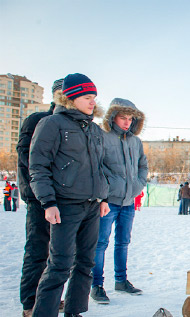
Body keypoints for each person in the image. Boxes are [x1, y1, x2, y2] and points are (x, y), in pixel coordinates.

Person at [29, 73, 110, 317]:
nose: (92, 102)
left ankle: (74, 312)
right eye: (87, 97)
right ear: (71, 98)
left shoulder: (94, 129)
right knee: (59, 265)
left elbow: (100, 167)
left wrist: (104, 197)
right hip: (65, 205)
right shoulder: (52, 124)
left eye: (94, 97)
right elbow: (38, 166)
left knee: (85, 263)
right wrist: (48, 202)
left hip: (92, 206)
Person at [90, 98, 147, 303]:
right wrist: (103, 195)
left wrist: (137, 186)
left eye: (131, 118)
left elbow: (143, 166)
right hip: (107, 201)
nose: (127, 122)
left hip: (128, 201)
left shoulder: (135, 142)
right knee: (100, 243)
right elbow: (96, 167)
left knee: (123, 242)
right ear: (113, 117)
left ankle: (121, 281)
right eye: (123, 117)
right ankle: (96, 285)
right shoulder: (102, 137)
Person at [18, 79, 66, 317]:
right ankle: (30, 303)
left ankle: (50, 298)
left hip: (64, 200)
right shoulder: (37, 120)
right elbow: (28, 160)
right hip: (39, 198)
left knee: (58, 254)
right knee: (38, 250)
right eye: (62, 93)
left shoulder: (72, 124)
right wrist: (38, 192)